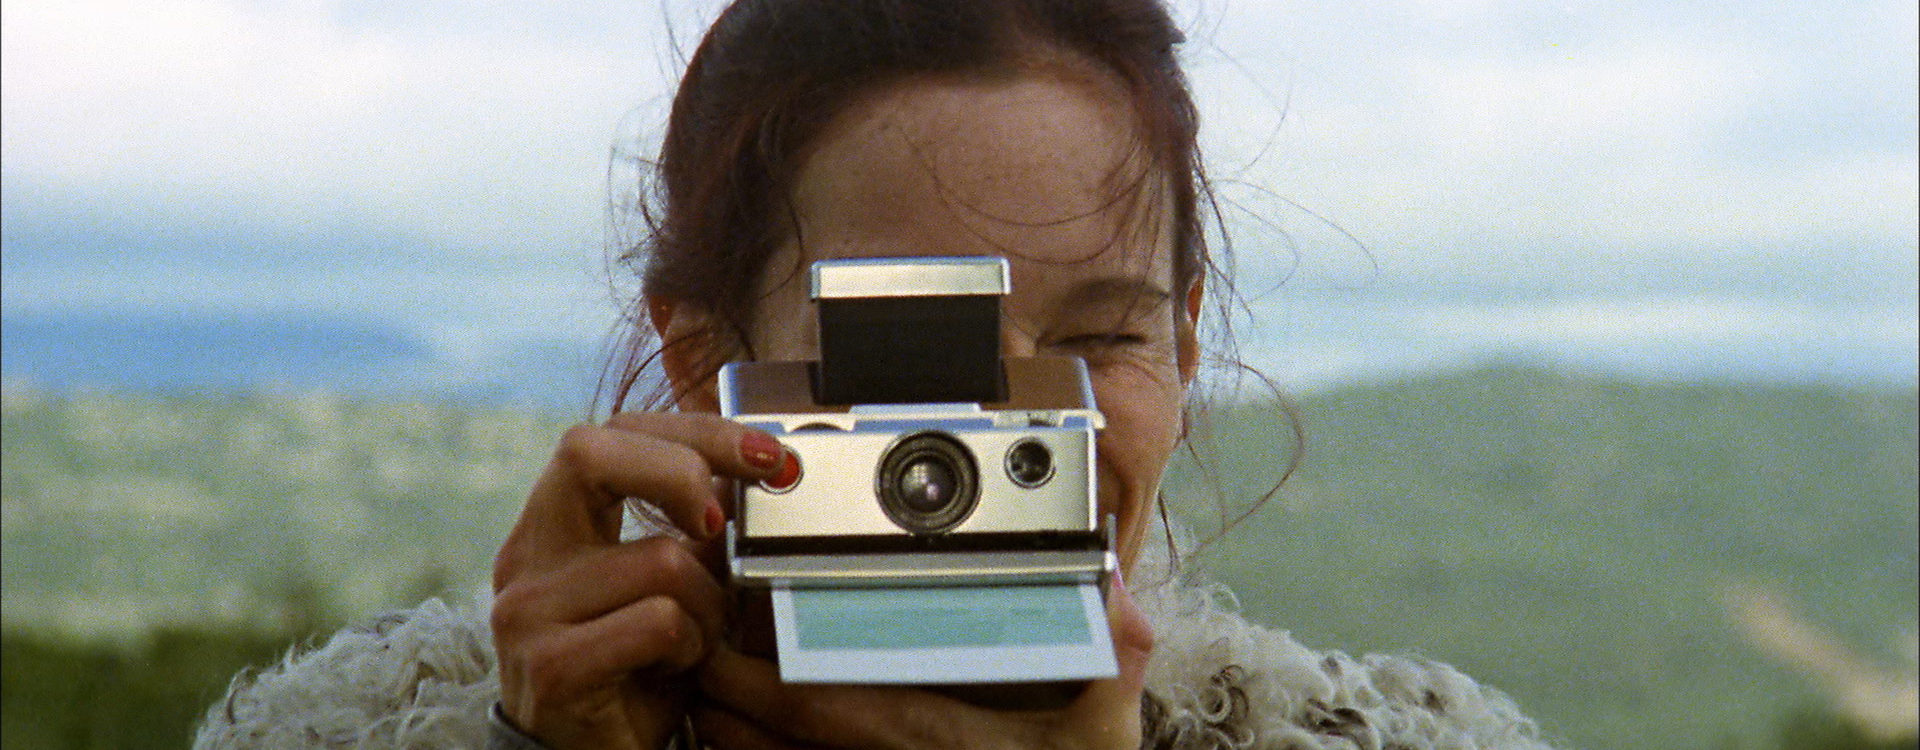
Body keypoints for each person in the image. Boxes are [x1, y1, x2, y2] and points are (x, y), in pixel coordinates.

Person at [197, 1, 1557, 748]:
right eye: (909, 345)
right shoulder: (351, 735)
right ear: (704, 360)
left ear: (1187, 348)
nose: (1004, 430)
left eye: (1103, 340)